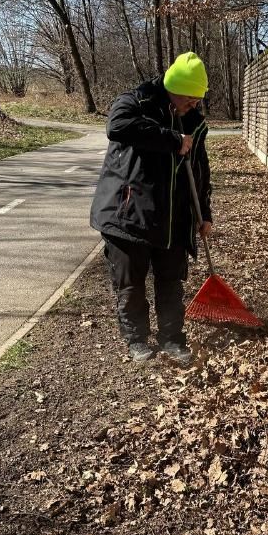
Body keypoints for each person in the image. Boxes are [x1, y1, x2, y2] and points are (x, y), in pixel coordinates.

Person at [91, 52, 212, 364]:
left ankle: (172, 338)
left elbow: (199, 168)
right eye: (190, 98)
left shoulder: (194, 121)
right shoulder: (136, 102)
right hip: (128, 213)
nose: (194, 105)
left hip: (173, 217)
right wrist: (172, 140)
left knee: (171, 282)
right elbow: (118, 126)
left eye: (197, 99)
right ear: (174, 88)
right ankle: (137, 339)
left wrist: (204, 213)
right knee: (130, 283)